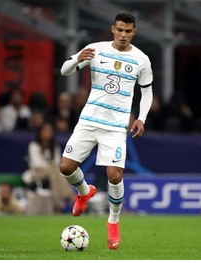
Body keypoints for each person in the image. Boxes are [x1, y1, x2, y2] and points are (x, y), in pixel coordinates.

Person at [59, 12, 153, 250]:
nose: (123, 34)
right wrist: (77, 58)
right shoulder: (95, 49)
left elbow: (147, 92)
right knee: (66, 167)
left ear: (134, 32)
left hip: (115, 126)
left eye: (128, 31)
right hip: (89, 119)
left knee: (115, 175)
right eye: (119, 29)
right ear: (113, 29)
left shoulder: (141, 60)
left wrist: (141, 118)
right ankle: (84, 192)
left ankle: (113, 222)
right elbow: (65, 71)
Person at [22, 122, 75, 214]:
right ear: (40, 133)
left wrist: (50, 166)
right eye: (45, 131)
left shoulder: (54, 146)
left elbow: (58, 162)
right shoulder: (34, 145)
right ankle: (70, 196)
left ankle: (58, 204)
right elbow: (37, 163)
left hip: (51, 173)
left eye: (50, 131)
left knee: (53, 173)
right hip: (35, 174)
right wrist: (50, 165)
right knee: (54, 170)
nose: (47, 134)